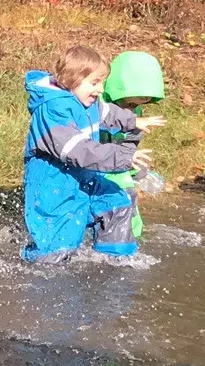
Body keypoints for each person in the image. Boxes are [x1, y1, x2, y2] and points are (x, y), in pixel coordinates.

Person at [21, 44, 152, 261]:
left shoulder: (88, 101)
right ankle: (36, 274)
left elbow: (108, 113)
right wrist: (123, 157)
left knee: (117, 203)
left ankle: (115, 263)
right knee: (57, 249)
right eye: (95, 82)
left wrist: (134, 121)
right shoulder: (53, 111)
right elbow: (79, 151)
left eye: (102, 82)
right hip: (54, 189)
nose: (101, 89)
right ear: (73, 79)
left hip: (86, 178)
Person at [102, 49, 168, 239]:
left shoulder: (136, 111)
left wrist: (137, 172)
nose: (137, 106)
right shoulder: (98, 105)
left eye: (144, 100)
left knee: (130, 214)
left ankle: (127, 245)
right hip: (93, 168)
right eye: (133, 101)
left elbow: (129, 145)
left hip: (119, 170)